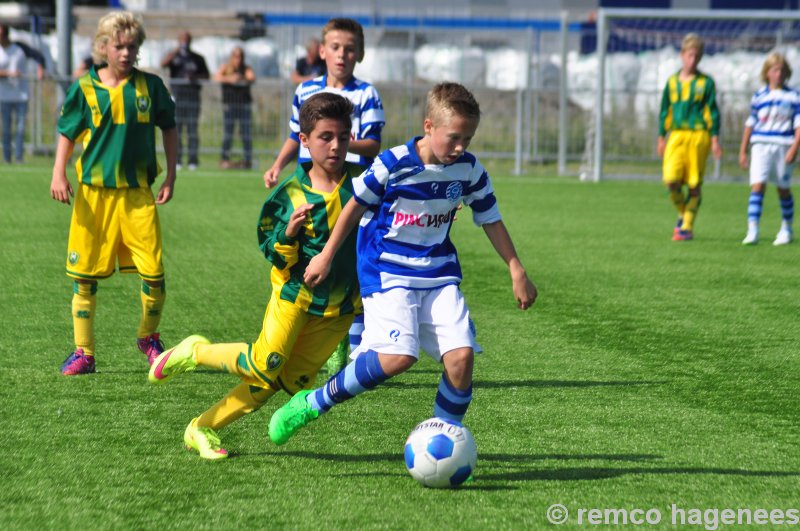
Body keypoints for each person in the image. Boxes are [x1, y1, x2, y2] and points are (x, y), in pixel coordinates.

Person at [267, 82, 538, 446]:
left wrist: (515, 268)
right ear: (429, 126)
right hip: (387, 271)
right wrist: (327, 254)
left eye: (468, 140)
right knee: (397, 358)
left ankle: (443, 442)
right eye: (454, 138)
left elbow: (490, 217)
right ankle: (315, 401)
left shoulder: (468, 171)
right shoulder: (393, 164)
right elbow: (354, 206)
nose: (460, 148)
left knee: (460, 360)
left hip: (438, 274)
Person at [147, 93, 363, 460]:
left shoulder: (364, 184)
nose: (336, 145)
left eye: (343, 136)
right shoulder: (288, 196)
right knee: (265, 364)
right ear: (305, 140)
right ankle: (195, 351)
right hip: (294, 296)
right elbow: (270, 249)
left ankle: (202, 427)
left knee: (280, 384)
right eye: (326, 137)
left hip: (339, 309)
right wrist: (289, 235)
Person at [49, 11, 177, 375]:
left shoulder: (150, 88)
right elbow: (67, 133)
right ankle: (84, 352)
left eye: (131, 46)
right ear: (103, 47)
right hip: (93, 197)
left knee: (154, 273)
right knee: (83, 276)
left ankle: (148, 337)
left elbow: (169, 128)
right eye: (118, 46)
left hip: (138, 195)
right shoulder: (84, 88)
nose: (125, 52)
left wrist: (171, 175)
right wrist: (58, 172)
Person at [263, 17, 385, 188]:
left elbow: (373, 145)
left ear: (360, 54)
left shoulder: (367, 94)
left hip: (352, 184)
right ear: (322, 51)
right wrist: (277, 166)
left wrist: (338, 144)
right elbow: (296, 135)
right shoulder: (305, 90)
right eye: (335, 47)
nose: (341, 54)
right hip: (310, 182)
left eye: (349, 49)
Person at [657, 33, 722, 242]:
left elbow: (712, 112)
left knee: (694, 185)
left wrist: (714, 139)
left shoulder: (706, 83)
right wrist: (661, 136)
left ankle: (686, 227)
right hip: (676, 136)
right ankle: (684, 213)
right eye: (689, 55)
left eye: (697, 56)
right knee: (671, 180)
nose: (692, 60)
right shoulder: (672, 82)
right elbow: (664, 110)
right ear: (682, 55)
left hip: (698, 137)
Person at [738, 52, 799, 246]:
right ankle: (753, 229)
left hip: (783, 145)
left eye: (782, 70)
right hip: (761, 146)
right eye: (775, 69)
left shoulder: (793, 96)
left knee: (783, 189)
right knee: (757, 186)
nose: (779, 73)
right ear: (767, 73)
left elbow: (798, 125)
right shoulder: (759, 96)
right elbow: (751, 123)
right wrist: (743, 150)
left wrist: (794, 148)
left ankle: (786, 229)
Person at [160, 31, 209, 171]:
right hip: (177, 97)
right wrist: (176, 50)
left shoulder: (198, 58)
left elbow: (207, 75)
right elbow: (163, 64)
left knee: (192, 129)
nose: (185, 42)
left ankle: (193, 160)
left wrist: (195, 77)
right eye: (182, 39)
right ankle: (178, 160)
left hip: (193, 97)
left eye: (187, 40)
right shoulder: (174, 57)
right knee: (177, 129)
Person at [215, 46, 255, 169]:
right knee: (228, 134)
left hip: (244, 106)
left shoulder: (246, 68)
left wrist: (241, 78)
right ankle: (224, 158)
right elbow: (217, 77)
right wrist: (230, 79)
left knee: (246, 133)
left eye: (240, 57)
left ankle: (248, 159)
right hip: (229, 106)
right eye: (236, 56)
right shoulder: (225, 68)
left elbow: (251, 77)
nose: (238, 59)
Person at [0, 23, 29, 164]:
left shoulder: (19, 49)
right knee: (6, 129)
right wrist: (10, 73)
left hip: (21, 95)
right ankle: (7, 157)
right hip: (4, 96)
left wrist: (41, 66)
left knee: (20, 128)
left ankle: (18, 157)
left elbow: (36, 55)